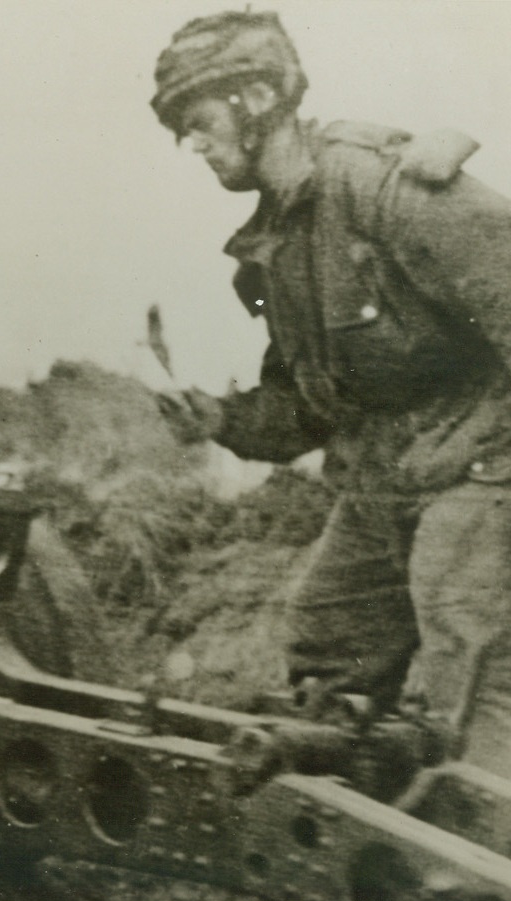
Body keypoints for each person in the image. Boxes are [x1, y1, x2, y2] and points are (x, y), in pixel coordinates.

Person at [150, 10, 511, 776]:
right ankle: (358, 799)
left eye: (202, 120)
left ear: (257, 97)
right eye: (184, 130)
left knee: (468, 660)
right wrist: (219, 418)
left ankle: (473, 859)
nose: (196, 145)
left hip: (484, 460)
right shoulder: (268, 258)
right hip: (386, 475)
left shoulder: (383, 185)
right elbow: (311, 406)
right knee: (327, 638)